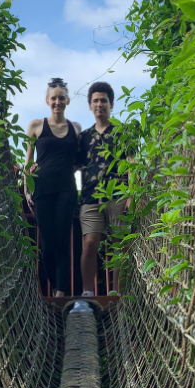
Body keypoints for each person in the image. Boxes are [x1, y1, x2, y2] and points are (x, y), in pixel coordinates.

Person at [24, 79, 83, 296]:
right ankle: (54, 286)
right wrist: (26, 190)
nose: (57, 101)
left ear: (67, 100)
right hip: (42, 189)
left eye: (61, 98)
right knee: (47, 242)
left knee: (62, 239)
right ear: (47, 100)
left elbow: (79, 160)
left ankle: (60, 293)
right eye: (54, 98)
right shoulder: (36, 126)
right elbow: (28, 162)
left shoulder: (75, 128)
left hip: (67, 189)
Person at [77, 82, 128, 297]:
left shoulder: (122, 133)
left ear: (111, 104)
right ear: (90, 105)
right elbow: (74, 167)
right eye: (95, 101)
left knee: (119, 245)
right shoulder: (84, 137)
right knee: (89, 244)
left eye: (103, 100)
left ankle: (118, 291)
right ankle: (88, 291)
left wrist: (131, 195)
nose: (100, 104)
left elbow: (133, 164)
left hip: (118, 195)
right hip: (90, 197)